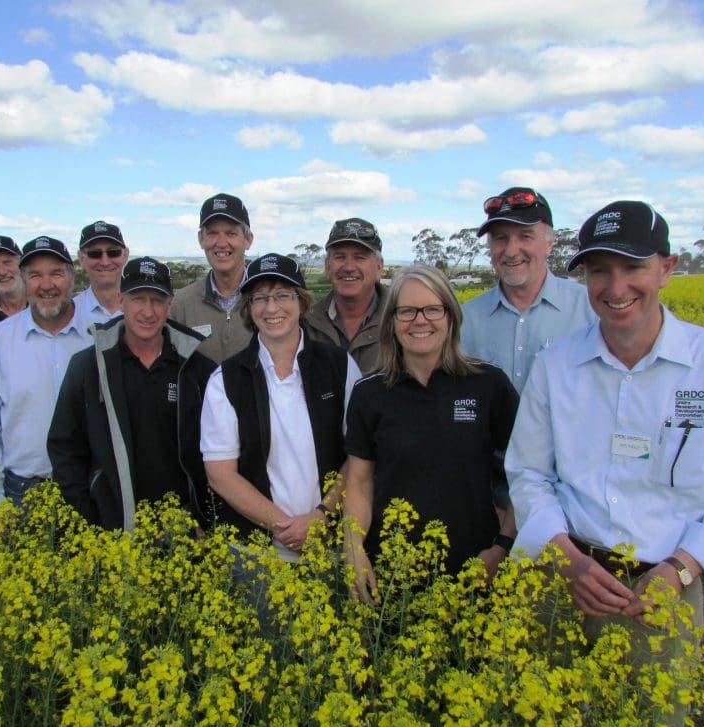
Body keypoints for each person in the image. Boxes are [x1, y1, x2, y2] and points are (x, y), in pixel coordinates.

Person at [506, 201, 704, 727]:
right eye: (599, 270)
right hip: (563, 581)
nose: (615, 285)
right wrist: (568, 559)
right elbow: (528, 473)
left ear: (667, 268)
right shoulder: (557, 363)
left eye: (632, 267)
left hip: (662, 592)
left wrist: (679, 570)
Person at [343, 265, 519, 602]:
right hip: (391, 574)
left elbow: (529, 475)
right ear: (391, 321)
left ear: (451, 315)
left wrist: (502, 547)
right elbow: (360, 482)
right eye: (406, 311)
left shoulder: (489, 385)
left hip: (476, 570)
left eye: (433, 309)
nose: (420, 320)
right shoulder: (369, 393)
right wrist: (354, 548)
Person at [200, 254, 361, 563]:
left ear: (301, 302)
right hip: (257, 556)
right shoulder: (226, 380)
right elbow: (220, 474)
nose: (271, 308)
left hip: (331, 546)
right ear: (249, 308)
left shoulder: (339, 366)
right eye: (259, 298)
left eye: (282, 295)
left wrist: (322, 517)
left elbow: (359, 455)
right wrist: (289, 529)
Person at [48, 257, 216, 530]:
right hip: (110, 528)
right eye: (138, 298)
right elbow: (65, 449)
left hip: (183, 531)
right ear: (120, 300)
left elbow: (215, 454)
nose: (147, 312)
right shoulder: (88, 367)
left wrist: (203, 517)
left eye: (157, 300)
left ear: (170, 304)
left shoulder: (198, 369)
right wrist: (89, 520)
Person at [0, 236, 94, 520]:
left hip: (90, 485)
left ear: (72, 277)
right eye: (35, 275)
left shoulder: (98, 335)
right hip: (23, 490)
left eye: (56, 273)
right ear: (23, 279)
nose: (46, 285)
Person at [461, 186, 596, 392]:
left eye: (525, 236)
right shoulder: (465, 319)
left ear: (550, 243)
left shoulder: (591, 310)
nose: (511, 251)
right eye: (500, 238)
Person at [170, 193, 255, 363]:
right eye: (212, 233)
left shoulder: (267, 300)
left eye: (231, 233)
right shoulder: (180, 304)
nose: (221, 243)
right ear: (201, 239)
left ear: (247, 240)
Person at [304, 217, 388, 374]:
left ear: (379, 267)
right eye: (340, 257)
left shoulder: (402, 319)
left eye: (360, 257)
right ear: (327, 267)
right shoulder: (305, 324)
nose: (349, 267)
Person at [74, 220, 129, 322]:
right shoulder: (69, 314)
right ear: (81, 258)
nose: (105, 262)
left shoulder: (146, 310)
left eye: (113, 252)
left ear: (125, 255)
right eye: (94, 253)